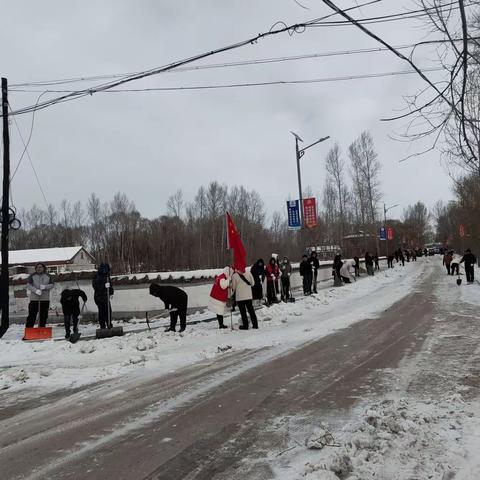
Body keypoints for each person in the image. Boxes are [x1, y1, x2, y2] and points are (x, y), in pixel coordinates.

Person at [25, 263, 54, 328]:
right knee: (32, 316)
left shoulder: (48, 276)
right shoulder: (32, 276)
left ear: (43, 268)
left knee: (43, 316)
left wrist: (45, 287)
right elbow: (28, 285)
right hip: (34, 300)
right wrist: (35, 290)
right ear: (35, 269)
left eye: (40, 267)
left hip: (45, 299)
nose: (39, 268)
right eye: (37, 267)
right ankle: (29, 330)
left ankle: (42, 329)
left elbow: (52, 285)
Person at [92, 263, 114, 330]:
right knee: (102, 311)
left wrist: (111, 291)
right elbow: (95, 286)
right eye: (104, 269)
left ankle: (109, 324)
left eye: (106, 270)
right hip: (99, 297)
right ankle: (102, 326)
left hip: (106, 296)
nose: (105, 271)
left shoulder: (107, 276)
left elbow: (110, 285)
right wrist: (104, 286)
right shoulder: (97, 276)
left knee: (108, 311)